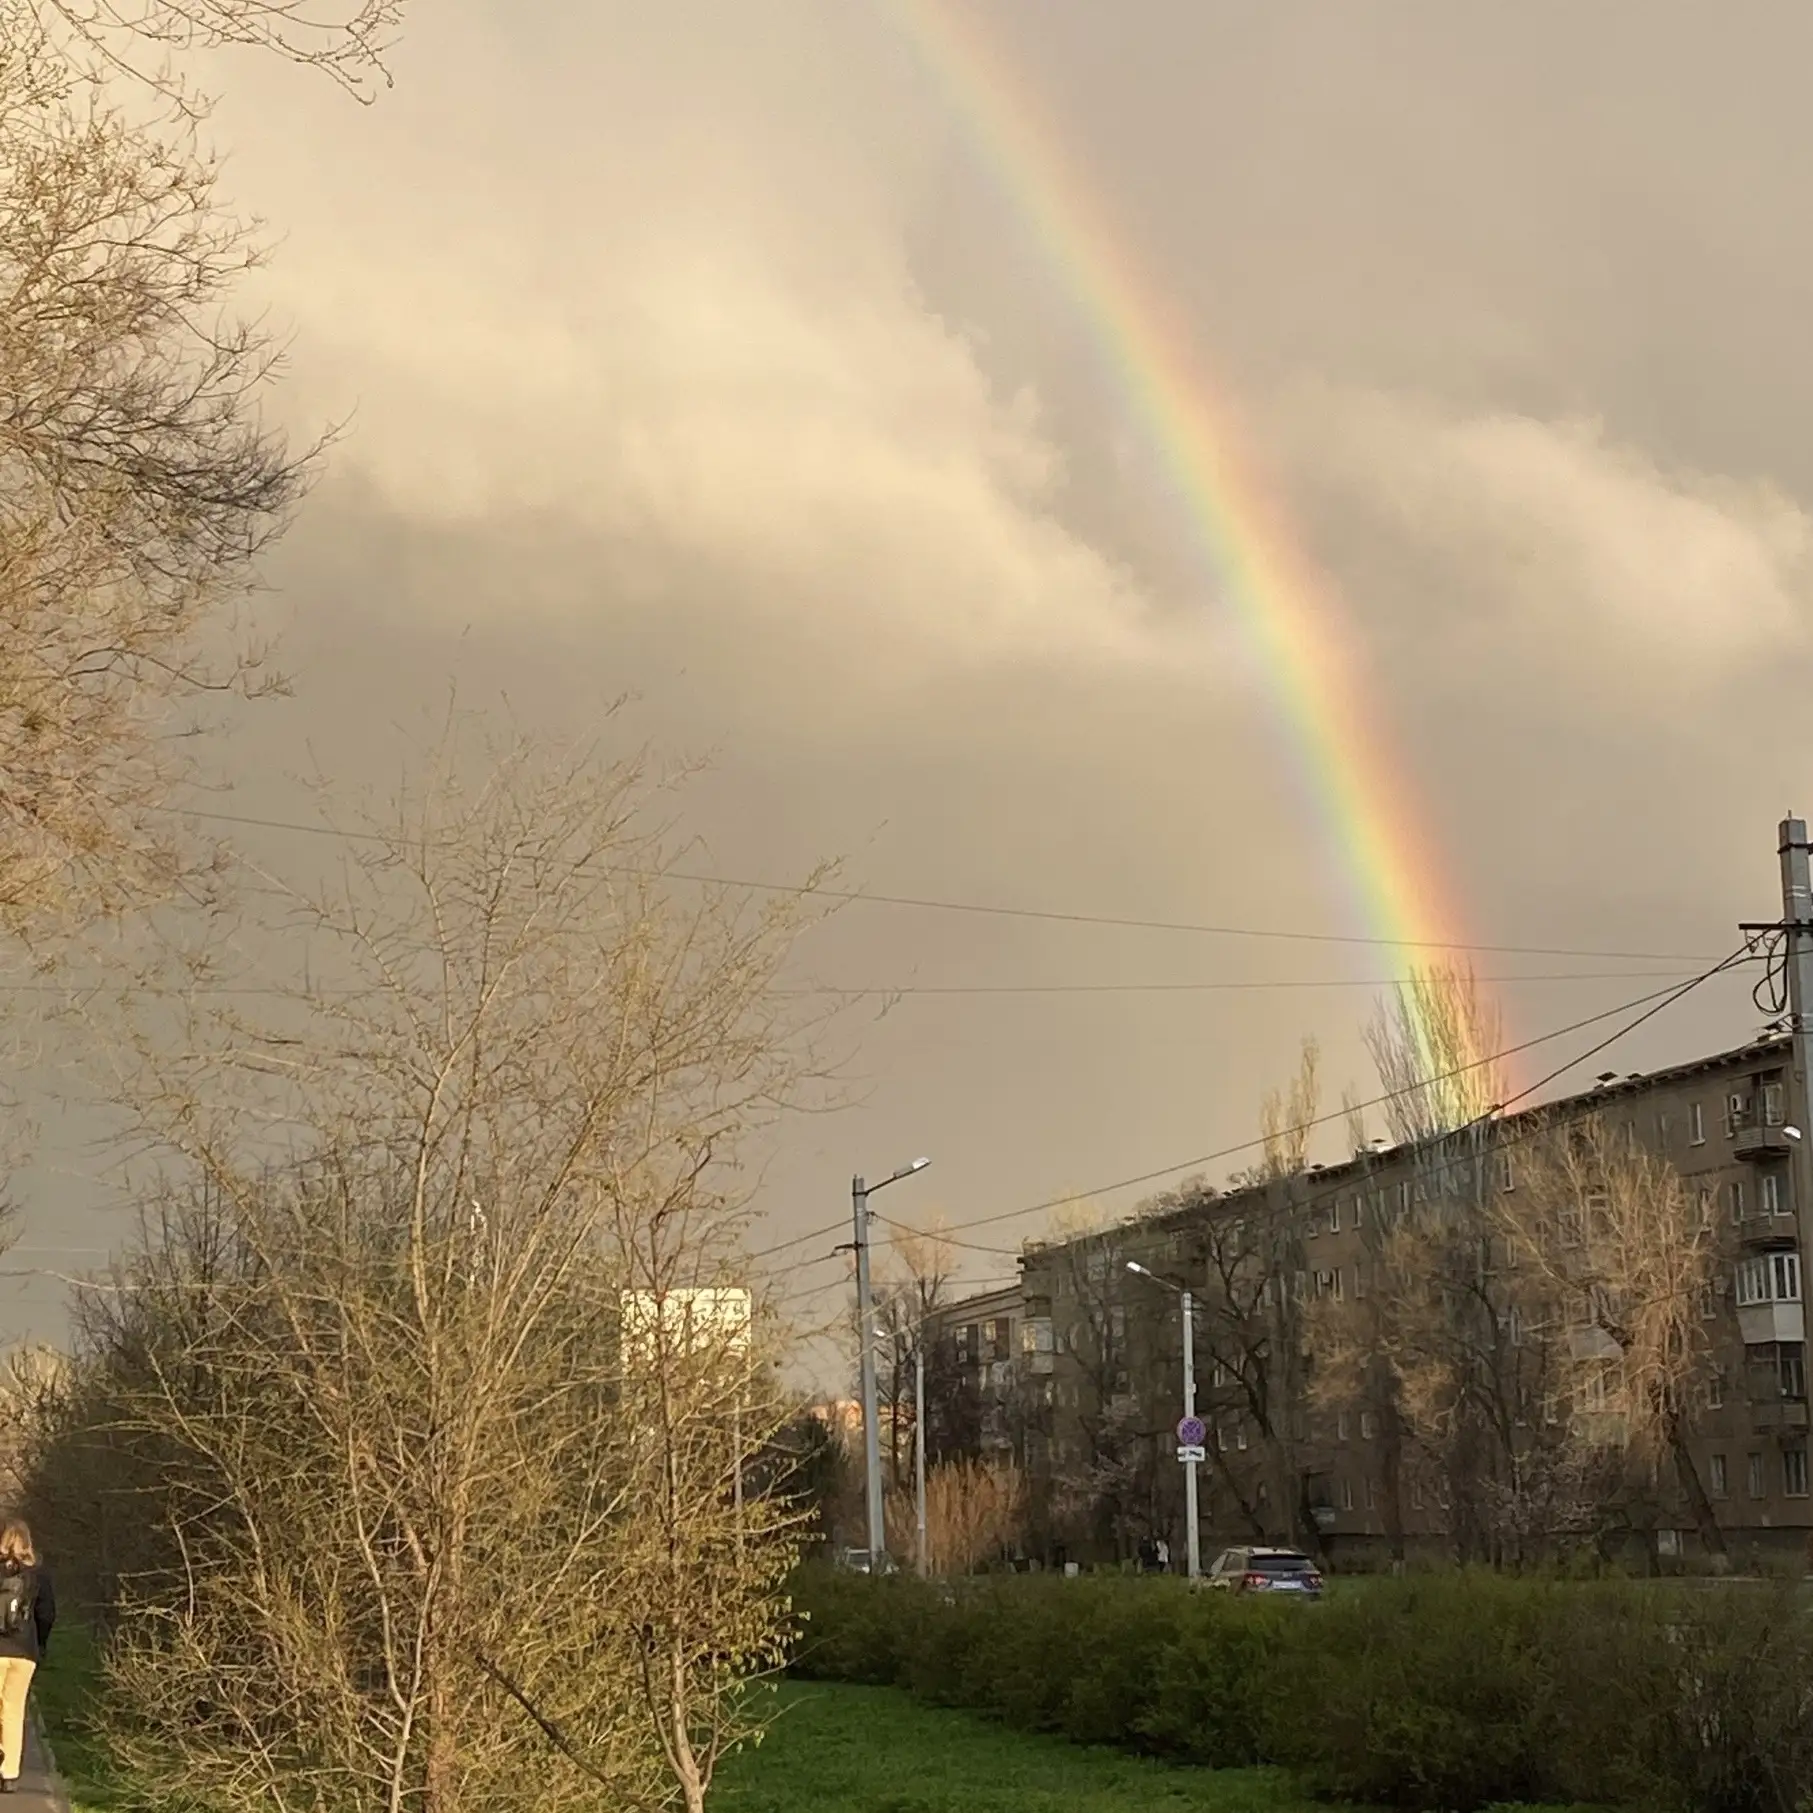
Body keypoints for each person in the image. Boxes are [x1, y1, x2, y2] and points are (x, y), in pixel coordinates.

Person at [0, 1520, 54, 1794]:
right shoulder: (39, 1575)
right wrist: (40, 1644)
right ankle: (9, 1773)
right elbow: (46, 1615)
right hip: (25, 1651)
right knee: (13, 1711)